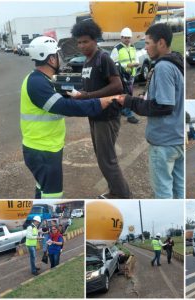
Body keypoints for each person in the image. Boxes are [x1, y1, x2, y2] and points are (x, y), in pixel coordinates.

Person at [20, 36, 114, 199]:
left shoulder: (41, 79)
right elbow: (65, 107)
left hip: (44, 147)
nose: (60, 59)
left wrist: (78, 95)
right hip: (43, 150)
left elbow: (61, 101)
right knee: (52, 196)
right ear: (50, 59)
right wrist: (98, 103)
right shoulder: (37, 84)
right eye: (57, 55)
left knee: (43, 188)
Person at [116, 23, 184, 199]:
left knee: (163, 194)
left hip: (164, 142)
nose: (145, 48)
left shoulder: (163, 67)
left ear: (160, 43)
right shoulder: (175, 63)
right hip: (177, 138)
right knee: (179, 190)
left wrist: (130, 101)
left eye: (147, 43)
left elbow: (164, 106)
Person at [70, 20, 131, 199]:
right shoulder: (86, 62)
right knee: (102, 158)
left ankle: (123, 195)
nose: (81, 45)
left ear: (95, 40)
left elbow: (117, 85)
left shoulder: (103, 58)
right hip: (94, 114)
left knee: (107, 160)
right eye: (79, 42)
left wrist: (88, 96)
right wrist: (80, 93)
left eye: (85, 41)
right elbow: (90, 89)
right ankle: (115, 191)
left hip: (107, 116)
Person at [110, 27, 139, 124]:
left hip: (131, 75)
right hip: (122, 76)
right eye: (125, 37)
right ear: (121, 37)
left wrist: (135, 64)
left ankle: (123, 110)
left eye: (128, 37)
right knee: (127, 95)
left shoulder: (132, 47)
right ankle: (129, 114)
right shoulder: (117, 48)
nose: (127, 39)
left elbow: (136, 59)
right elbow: (113, 63)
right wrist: (127, 65)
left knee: (127, 94)